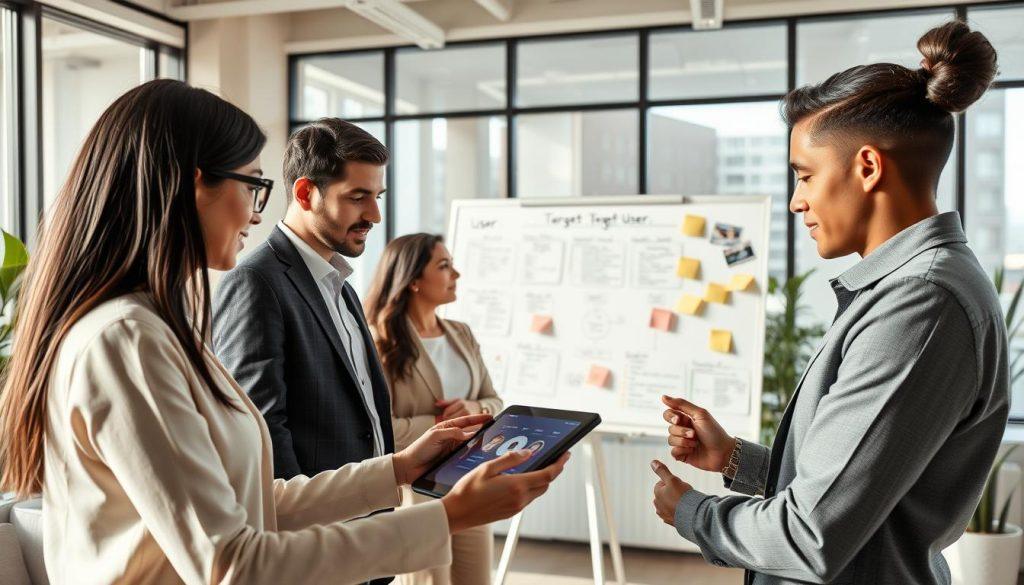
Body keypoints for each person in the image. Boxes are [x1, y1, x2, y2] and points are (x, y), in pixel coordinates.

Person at [0, 79, 568, 585]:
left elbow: (252, 502)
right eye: (252, 186)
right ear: (195, 185)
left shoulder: (157, 326)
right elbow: (232, 564)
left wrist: (401, 467)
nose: (255, 212)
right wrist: (448, 517)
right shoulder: (128, 338)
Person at [650, 21, 1009, 585]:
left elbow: (811, 536)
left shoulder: (920, 303)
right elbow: (862, 498)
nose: (797, 202)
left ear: (867, 167)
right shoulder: (912, 288)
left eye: (805, 176)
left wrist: (690, 512)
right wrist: (736, 459)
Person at [213, 118, 394, 489]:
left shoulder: (342, 287)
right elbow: (259, 429)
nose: (374, 215)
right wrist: (304, 519)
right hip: (311, 518)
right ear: (305, 193)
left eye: (377, 197)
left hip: (367, 508)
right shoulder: (255, 282)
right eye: (357, 197)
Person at [365, 233, 505, 585]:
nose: (455, 274)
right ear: (413, 279)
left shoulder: (461, 333)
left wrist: (473, 406)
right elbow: (380, 428)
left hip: (470, 478)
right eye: (444, 266)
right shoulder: (378, 342)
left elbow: (494, 401)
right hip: (417, 488)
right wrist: (441, 423)